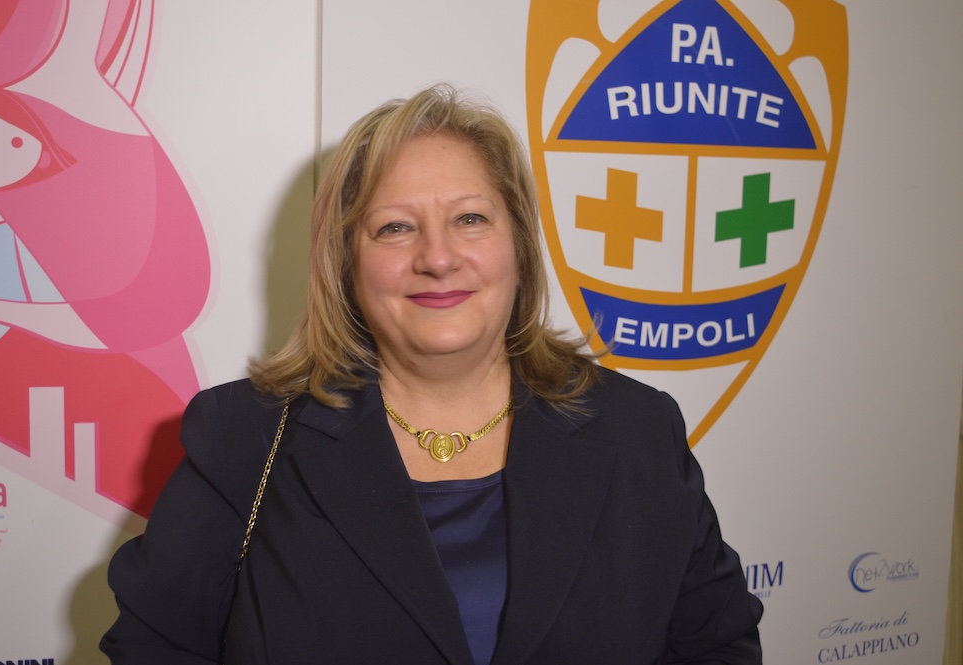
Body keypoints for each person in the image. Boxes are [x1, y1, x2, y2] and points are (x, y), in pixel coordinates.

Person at [101, 84, 763, 664]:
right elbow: (154, 649)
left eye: (470, 219)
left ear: (519, 245)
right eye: (394, 228)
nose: (438, 258)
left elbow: (717, 645)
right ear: (345, 262)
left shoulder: (637, 428)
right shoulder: (240, 438)